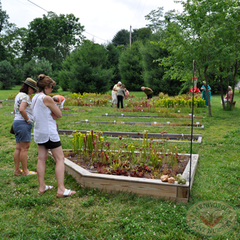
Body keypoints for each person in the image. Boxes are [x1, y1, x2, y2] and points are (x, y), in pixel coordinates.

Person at [32, 74, 76, 197]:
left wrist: (52, 107)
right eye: (51, 87)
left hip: (39, 132)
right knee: (60, 159)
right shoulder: (46, 98)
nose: (52, 90)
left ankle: (41, 187)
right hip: (49, 132)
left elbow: (44, 111)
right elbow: (59, 114)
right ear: (46, 87)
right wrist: (57, 104)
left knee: (41, 158)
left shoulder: (35, 97)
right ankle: (61, 189)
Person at [13, 78, 38, 176]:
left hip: (16, 122)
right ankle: (25, 171)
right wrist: (28, 119)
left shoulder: (18, 95)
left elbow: (15, 110)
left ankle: (17, 170)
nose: (33, 91)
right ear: (28, 87)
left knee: (18, 147)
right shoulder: (26, 97)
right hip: (23, 123)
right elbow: (22, 109)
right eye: (33, 89)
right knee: (25, 148)